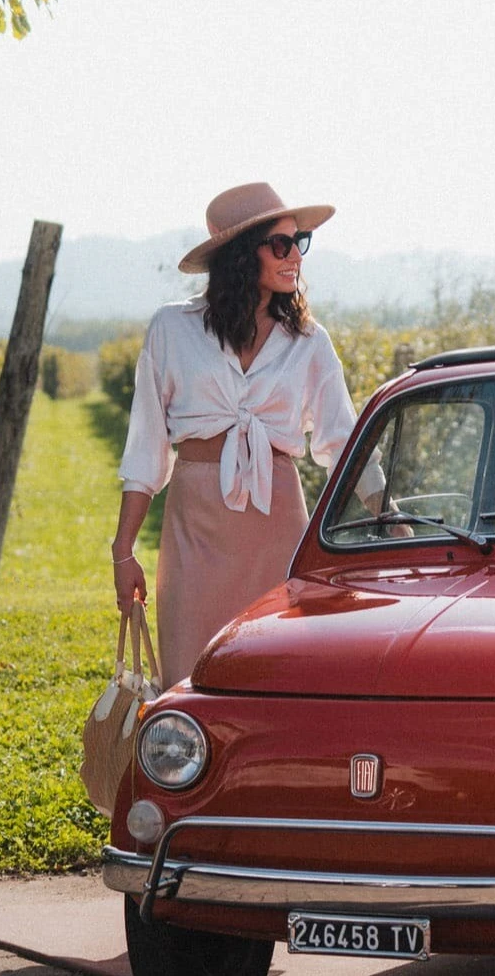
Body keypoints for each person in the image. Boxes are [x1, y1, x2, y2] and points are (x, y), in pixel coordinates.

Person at [110, 182, 381, 680]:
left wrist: (389, 515)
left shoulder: (309, 341)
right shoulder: (173, 328)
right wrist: (123, 550)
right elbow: (146, 448)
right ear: (241, 253)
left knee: (280, 671)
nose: (295, 255)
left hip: (277, 521)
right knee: (191, 673)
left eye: (299, 242)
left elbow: (342, 441)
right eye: (280, 244)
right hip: (197, 525)